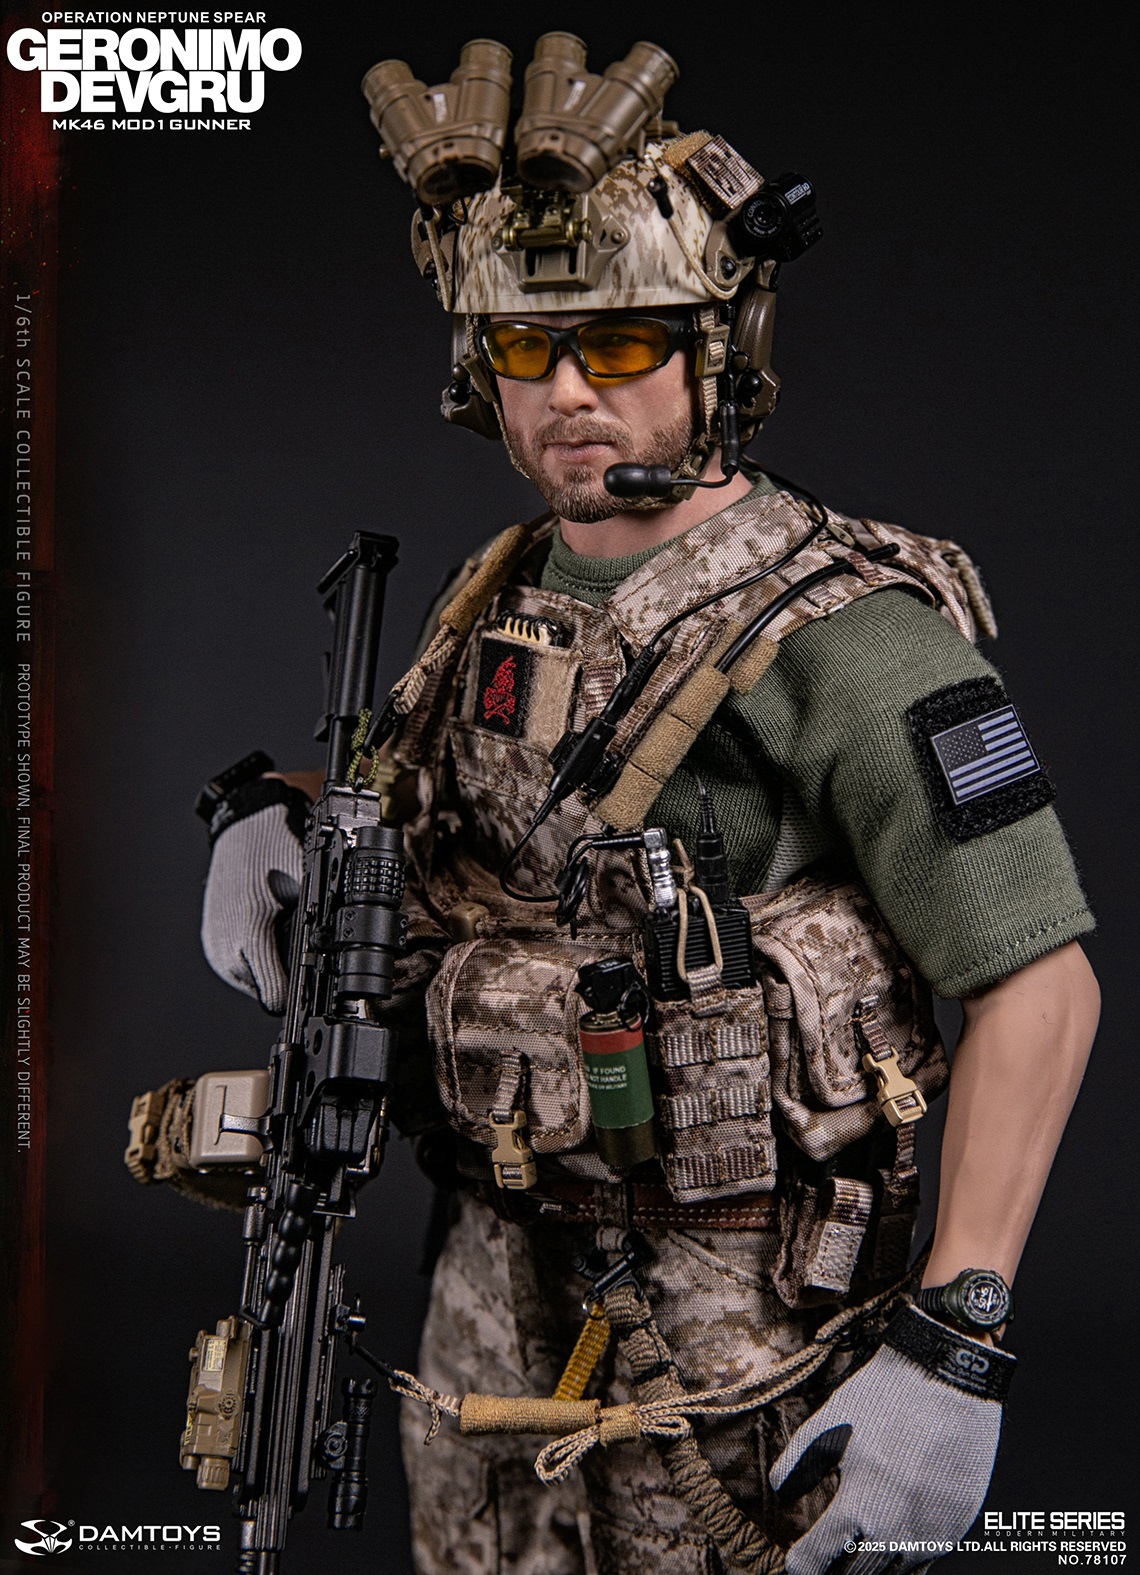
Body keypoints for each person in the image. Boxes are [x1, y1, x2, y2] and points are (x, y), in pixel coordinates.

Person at [197, 34, 1099, 1575]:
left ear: (714, 351)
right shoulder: (495, 592)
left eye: (619, 344)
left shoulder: (850, 637)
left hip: (743, 1340)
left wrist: (957, 1350)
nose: (566, 395)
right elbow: (446, 822)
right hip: (490, 1300)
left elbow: (1039, 984)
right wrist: (266, 814)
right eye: (523, 347)